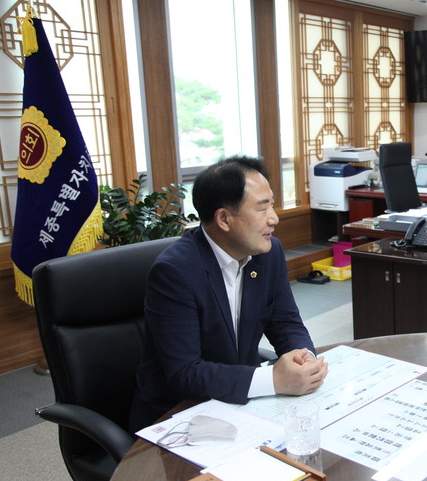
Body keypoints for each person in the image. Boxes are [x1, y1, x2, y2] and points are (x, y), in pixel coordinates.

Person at [130, 155, 328, 432]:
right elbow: (185, 373)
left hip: (241, 403)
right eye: (262, 208)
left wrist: (303, 358)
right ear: (224, 218)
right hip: (180, 415)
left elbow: (285, 322)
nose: (274, 218)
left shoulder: (268, 253)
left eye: (272, 204)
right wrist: (274, 379)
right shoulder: (175, 272)